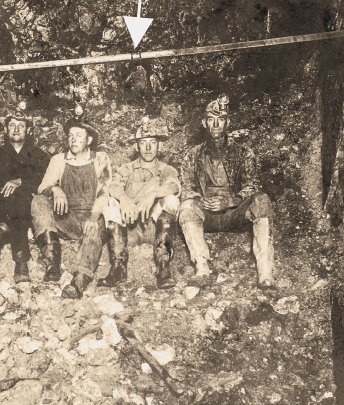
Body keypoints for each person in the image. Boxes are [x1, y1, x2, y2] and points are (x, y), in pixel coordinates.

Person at [177, 94, 275, 288]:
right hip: (208, 216)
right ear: (204, 123)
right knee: (187, 206)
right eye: (211, 120)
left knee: (261, 200)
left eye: (220, 119)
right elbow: (186, 186)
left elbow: (254, 184)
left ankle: (265, 274)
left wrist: (231, 201)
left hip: (234, 214)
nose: (215, 124)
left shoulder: (243, 152)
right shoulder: (193, 154)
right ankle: (202, 268)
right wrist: (199, 199)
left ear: (227, 122)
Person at [31, 105, 113, 299]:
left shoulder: (100, 158)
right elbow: (42, 187)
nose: (73, 140)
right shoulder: (59, 160)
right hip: (66, 219)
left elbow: (105, 191)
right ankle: (52, 263)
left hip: (91, 217)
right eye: (70, 135)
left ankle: (79, 281)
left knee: (96, 226)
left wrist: (93, 217)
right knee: (38, 202)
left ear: (89, 140)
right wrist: (55, 188)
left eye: (79, 135)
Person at [101, 117, 181, 289]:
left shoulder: (167, 169)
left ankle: (163, 268)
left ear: (160, 146)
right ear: (136, 146)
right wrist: (124, 199)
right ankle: (118, 268)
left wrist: (153, 194)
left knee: (171, 200)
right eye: (143, 143)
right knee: (110, 203)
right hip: (129, 229)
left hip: (155, 230)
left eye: (153, 142)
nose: (148, 147)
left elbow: (174, 186)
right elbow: (114, 186)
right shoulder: (126, 169)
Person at [0, 101, 50, 283]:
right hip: (0, 205)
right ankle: (21, 262)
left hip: (26, 205)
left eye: (21, 126)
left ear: (28, 130)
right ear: (5, 129)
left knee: (20, 197)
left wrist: (21, 182)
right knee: (13, 199)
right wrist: (6, 185)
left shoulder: (39, 155)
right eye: (12, 125)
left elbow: (43, 181)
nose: (16, 129)